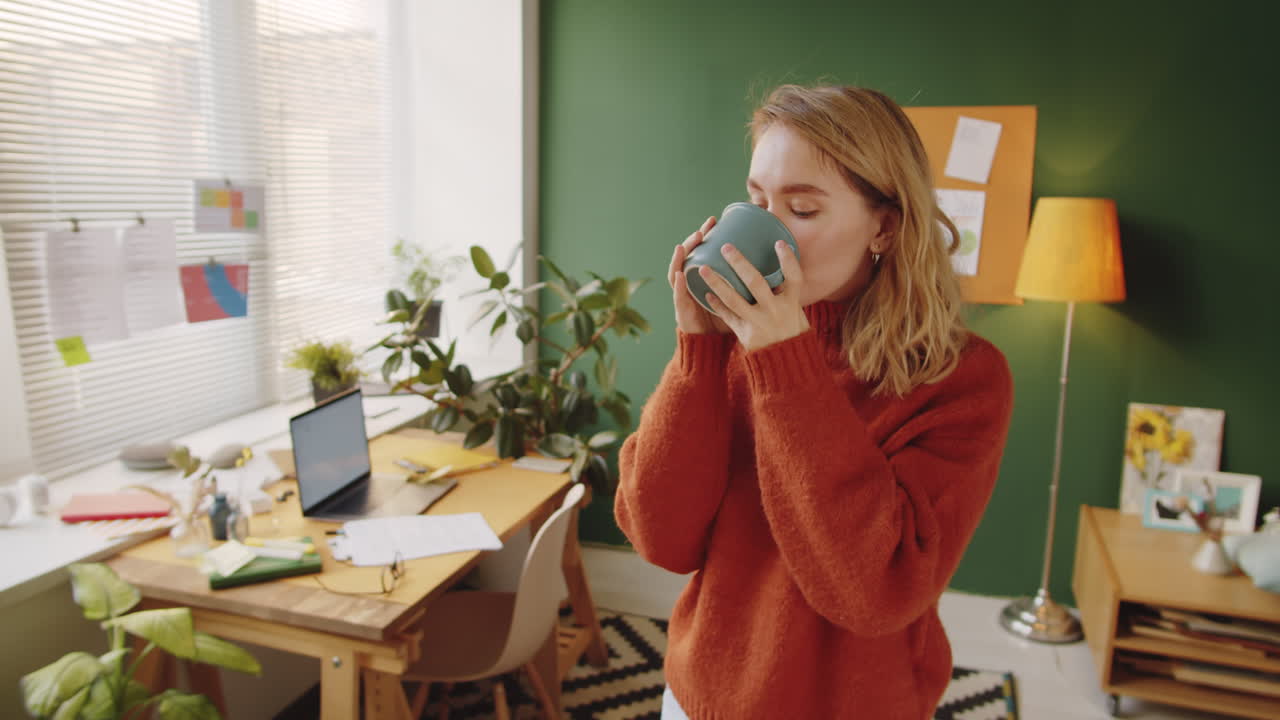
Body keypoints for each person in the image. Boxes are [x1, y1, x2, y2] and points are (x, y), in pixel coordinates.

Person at [614, 84, 1015, 719]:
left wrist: (785, 363)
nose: (764, 228)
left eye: (800, 210)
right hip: (702, 697)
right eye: (755, 201)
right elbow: (661, 540)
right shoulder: (732, 347)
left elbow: (874, 593)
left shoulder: (962, 380)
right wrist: (697, 350)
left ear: (884, 225)